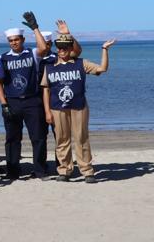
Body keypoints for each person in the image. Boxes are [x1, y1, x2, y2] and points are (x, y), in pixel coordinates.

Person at [43, 29, 114, 183]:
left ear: (71, 48)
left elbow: (102, 68)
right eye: (59, 48)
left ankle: (87, 171)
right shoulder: (49, 67)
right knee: (62, 139)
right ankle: (64, 170)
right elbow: (46, 90)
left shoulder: (81, 63)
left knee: (81, 138)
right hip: (57, 108)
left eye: (65, 47)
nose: (62, 50)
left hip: (79, 106)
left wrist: (104, 49)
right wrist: (47, 111)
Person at [0, 20, 51, 180]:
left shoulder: (32, 53)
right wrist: (3, 104)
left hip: (33, 101)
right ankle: (13, 171)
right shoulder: (3, 58)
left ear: (23, 40)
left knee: (38, 137)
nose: (14, 42)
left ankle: (40, 170)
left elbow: (43, 48)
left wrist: (35, 28)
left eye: (16, 39)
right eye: (11, 40)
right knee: (12, 138)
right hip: (12, 102)